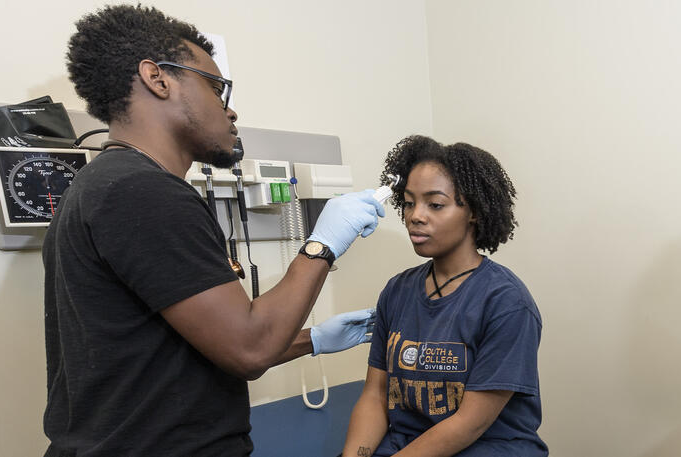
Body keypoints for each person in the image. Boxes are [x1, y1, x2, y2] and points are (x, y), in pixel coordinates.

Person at [46, 5, 382, 456]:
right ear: (157, 78)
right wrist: (322, 245)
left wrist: (313, 341)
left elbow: (199, 348)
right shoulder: (142, 192)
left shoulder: (104, 185)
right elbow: (248, 348)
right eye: (216, 87)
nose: (230, 109)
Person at [343, 135, 546, 457]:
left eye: (435, 204)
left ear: (474, 212)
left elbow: (470, 424)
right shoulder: (398, 290)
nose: (416, 216)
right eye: (409, 202)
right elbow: (376, 395)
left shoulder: (506, 302)